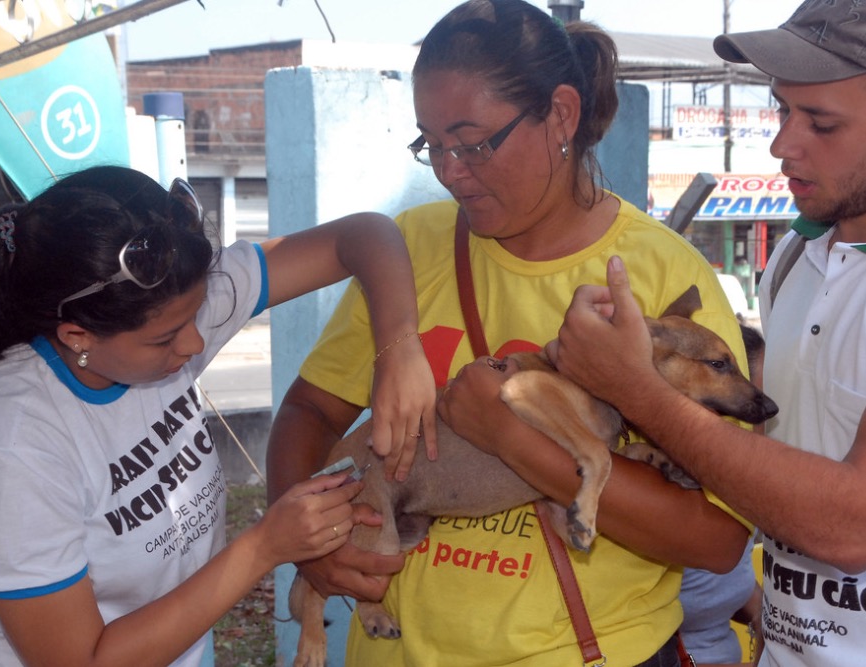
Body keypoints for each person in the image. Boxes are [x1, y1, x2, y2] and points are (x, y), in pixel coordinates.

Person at [266, 1, 751, 664]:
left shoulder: (659, 281)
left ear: (560, 114)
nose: (448, 168)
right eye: (430, 144)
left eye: (471, 142)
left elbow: (717, 537)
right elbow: (309, 408)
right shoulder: (408, 252)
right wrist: (303, 537)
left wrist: (515, 439)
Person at [0, 165, 435, 667]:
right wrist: (264, 547)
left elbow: (363, 236)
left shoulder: (165, 302)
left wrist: (399, 350)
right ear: (77, 336)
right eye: (166, 338)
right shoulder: (11, 446)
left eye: (196, 315)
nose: (194, 343)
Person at [548, 2, 866, 665]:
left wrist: (639, 391)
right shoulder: (789, 261)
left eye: (821, 123)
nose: (781, 144)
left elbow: (850, 523)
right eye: (781, 110)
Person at [678, 324, 765, 667]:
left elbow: (719, 585)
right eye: (753, 401)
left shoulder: (733, 485)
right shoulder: (671, 488)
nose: (770, 411)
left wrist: (763, 613)